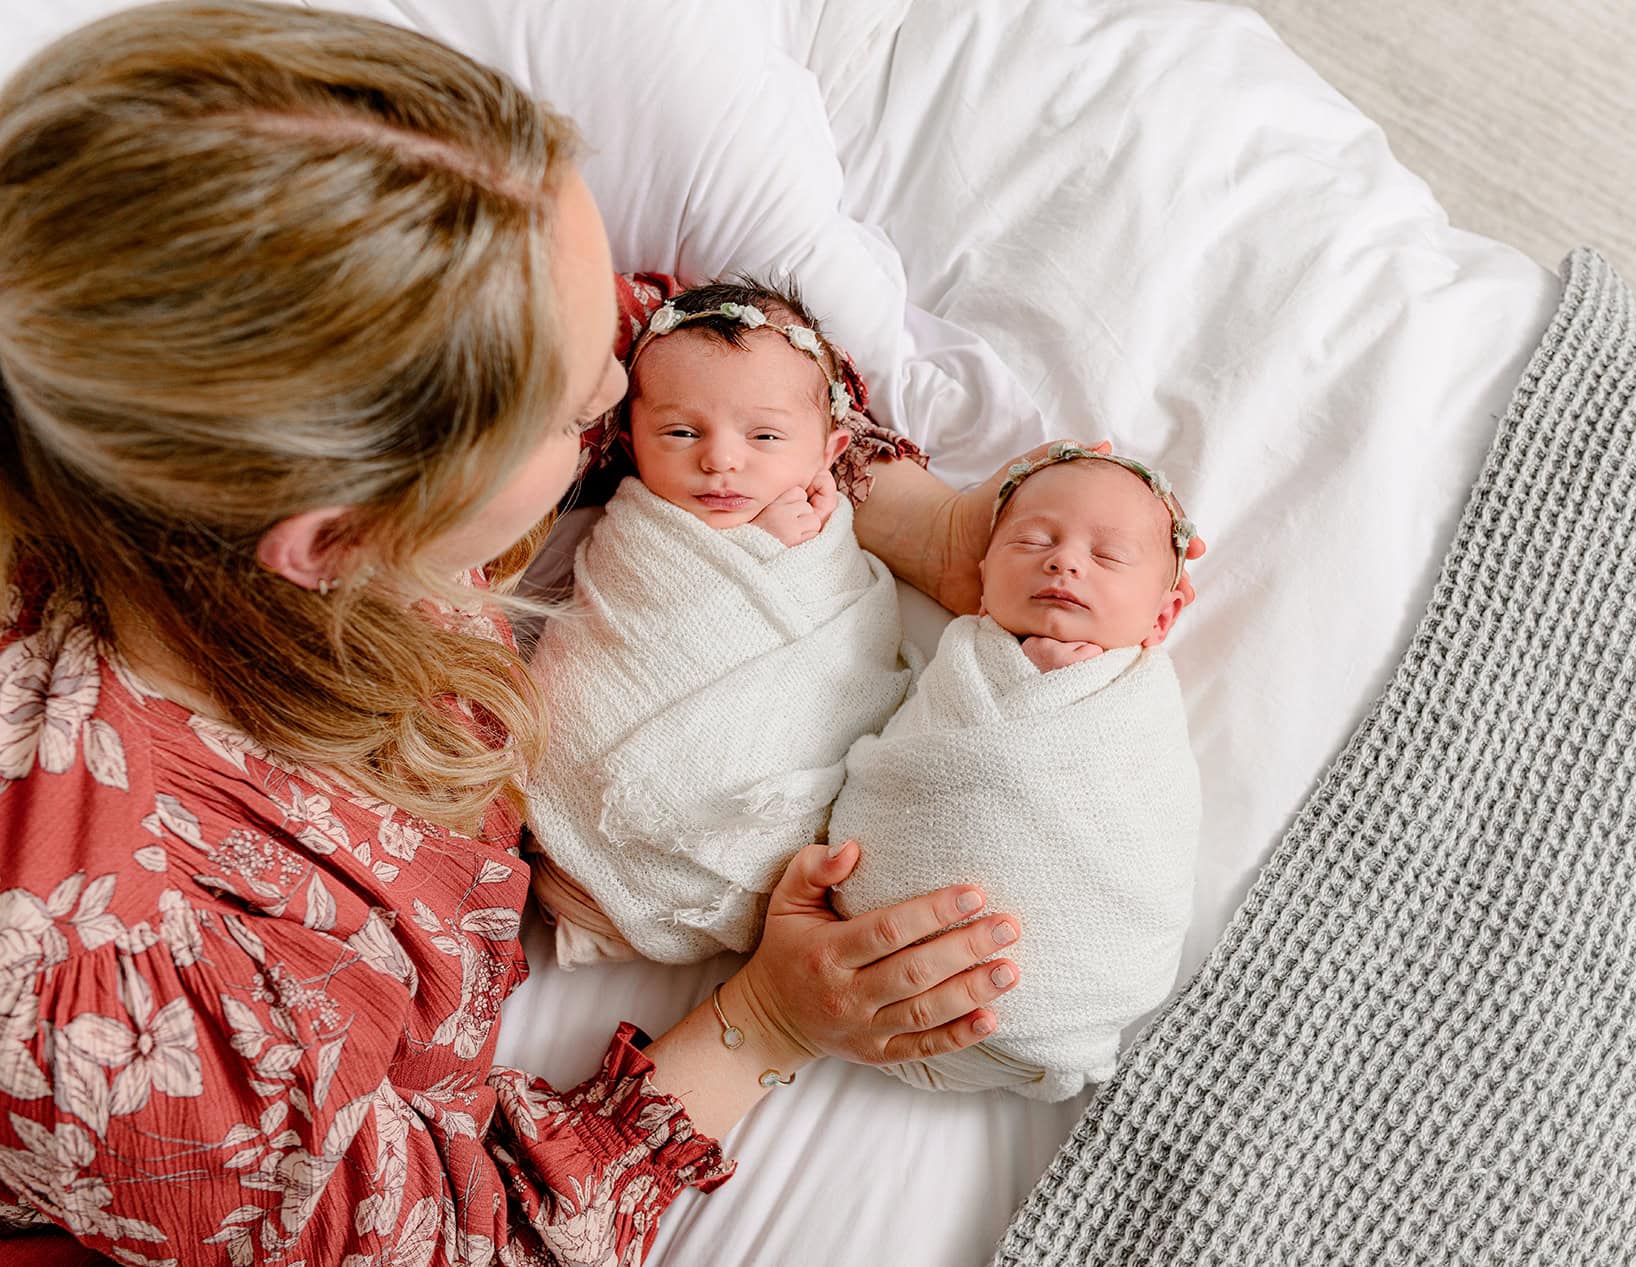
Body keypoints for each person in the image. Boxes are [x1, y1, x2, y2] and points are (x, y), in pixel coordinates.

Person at [0, 4, 1073, 1262]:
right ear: (340, 540)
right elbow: (467, 1239)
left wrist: (915, 518)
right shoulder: (117, 1004)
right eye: (573, 416)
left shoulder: (180, 344)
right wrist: (765, 1024)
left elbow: (638, 344)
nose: (621, 381)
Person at [525, 278, 915, 966]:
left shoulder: (827, 550)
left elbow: (853, 669)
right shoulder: (635, 536)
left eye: (765, 435)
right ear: (631, 443)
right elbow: (624, 635)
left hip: (736, 875)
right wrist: (756, 542)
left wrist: (777, 549)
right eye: (681, 432)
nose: (721, 459)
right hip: (568, 845)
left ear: (828, 452)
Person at [830, 446, 1203, 1101]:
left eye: (1109, 555)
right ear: (983, 579)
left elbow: (1149, 830)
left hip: (1050, 1005)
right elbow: (905, 767)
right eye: (1032, 541)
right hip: (869, 973)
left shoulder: (1138, 706)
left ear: (1163, 616)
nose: (1064, 562)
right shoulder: (964, 660)